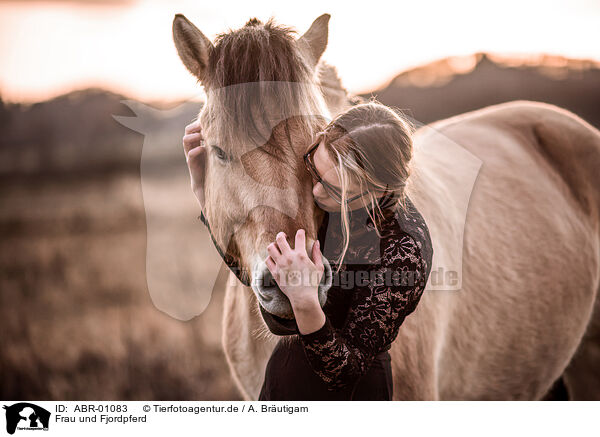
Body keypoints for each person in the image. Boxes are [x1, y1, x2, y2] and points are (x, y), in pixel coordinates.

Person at [183, 102, 433, 400]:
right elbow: (258, 274)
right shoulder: (322, 204)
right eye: (313, 167)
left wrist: (304, 302)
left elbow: (345, 373)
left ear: (378, 190)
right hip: (282, 383)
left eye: (335, 190)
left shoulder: (403, 250)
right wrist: (203, 191)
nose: (315, 193)